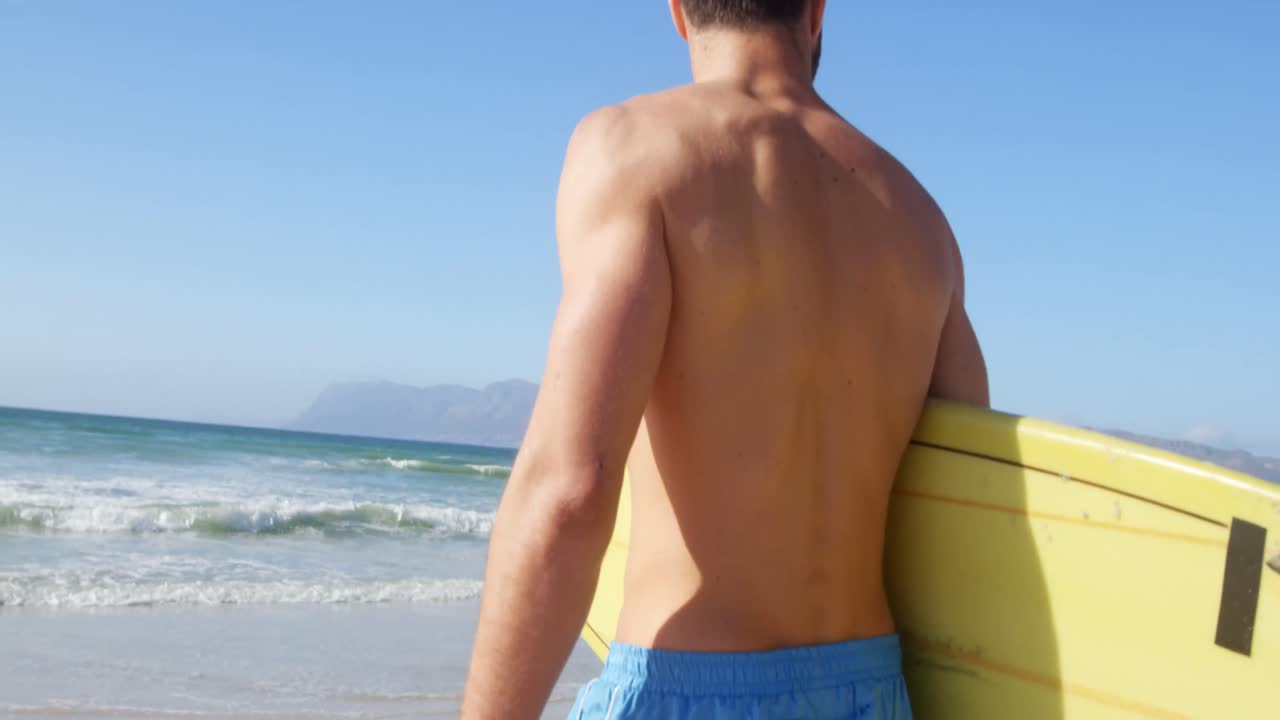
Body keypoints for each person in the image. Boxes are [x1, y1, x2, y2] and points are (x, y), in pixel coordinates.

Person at [462, 0, 989, 717]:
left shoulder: (635, 151)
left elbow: (570, 490)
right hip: (875, 691)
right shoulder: (924, 225)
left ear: (678, 11)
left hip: (685, 688)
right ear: (815, 13)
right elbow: (964, 513)